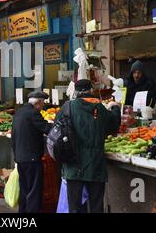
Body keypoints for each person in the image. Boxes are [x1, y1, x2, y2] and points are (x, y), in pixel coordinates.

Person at [62, 79, 121, 213]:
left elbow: (56, 130)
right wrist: (115, 107)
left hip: (73, 165)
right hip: (95, 166)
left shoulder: (67, 107)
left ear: (75, 92)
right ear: (91, 90)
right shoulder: (99, 108)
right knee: (96, 207)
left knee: (75, 208)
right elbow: (113, 126)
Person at [11, 90, 52, 213]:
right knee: (34, 192)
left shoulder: (19, 112)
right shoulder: (33, 113)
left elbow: (13, 136)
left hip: (20, 158)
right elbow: (47, 129)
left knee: (24, 190)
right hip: (32, 159)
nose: (43, 106)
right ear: (38, 102)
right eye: (43, 104)